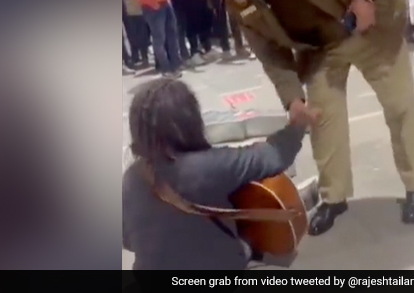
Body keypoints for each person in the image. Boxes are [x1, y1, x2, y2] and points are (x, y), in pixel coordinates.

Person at [185, 0, 414, 236]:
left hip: (370, 26)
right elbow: (269, 52)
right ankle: (334, 197)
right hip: (320, 49)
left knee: (399, 106)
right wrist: (291, 98)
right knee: (323, 120)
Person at [122, 78, 306, 270]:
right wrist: (298, 125)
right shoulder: (209, 166)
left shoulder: (130, 178)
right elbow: (274, 156)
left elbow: (128, 240)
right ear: (190, 120)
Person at [123, 0, 150, 68]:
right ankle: (136, 58)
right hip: (129, 10)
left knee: (144, 35)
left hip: (141, 8)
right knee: (133, 36)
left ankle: (145, 57)